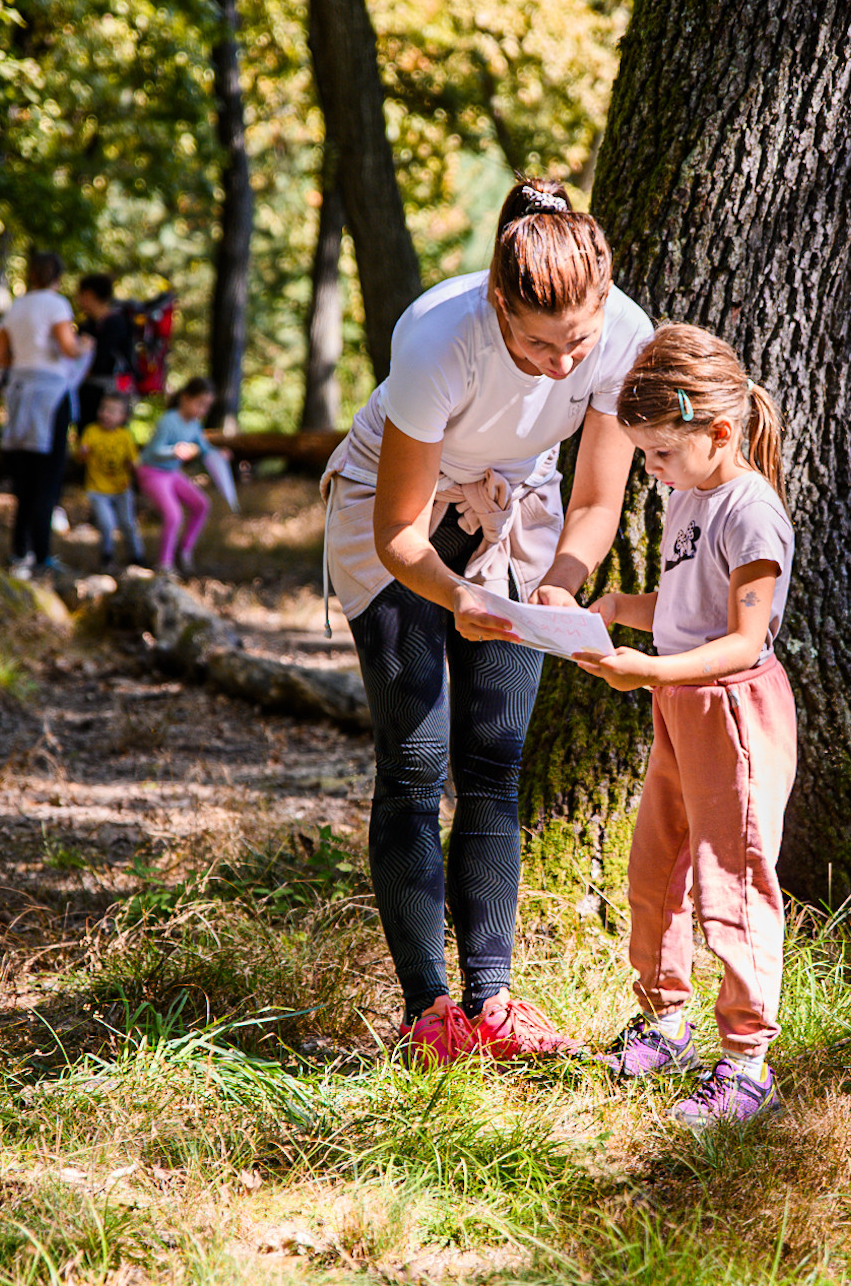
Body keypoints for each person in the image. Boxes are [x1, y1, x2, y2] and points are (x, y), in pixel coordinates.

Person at [318, 176, 653, 1062]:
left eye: (577, 342)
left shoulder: (623, 334)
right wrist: (460, 596)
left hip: (517, 510)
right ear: (499, 303)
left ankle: (494, 1001)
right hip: (397, 515)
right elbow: (398, 531)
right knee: (417, 763)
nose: (563, 365)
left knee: (496, 760)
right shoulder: (438, 333)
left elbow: (595, 495)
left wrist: (558, 585)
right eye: (540, 345)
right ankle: (429, 1012)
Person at [573, 325, 796, 1129]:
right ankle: (665, 1021)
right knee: (654, 868)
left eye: (662, 455)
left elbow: (742, 638)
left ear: (719, 433)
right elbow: (684, 607)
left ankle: (745, 1065)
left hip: (731, 712)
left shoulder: (751, 512)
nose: (652, 471)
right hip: (679, 705)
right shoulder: (690, 494)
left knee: (730, 887)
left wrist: (650, 670)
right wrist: (616, 613)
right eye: (646, 457)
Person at [0, 251, 92, 580]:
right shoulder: (57, 304)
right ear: (57, 278)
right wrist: (83, 347)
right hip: (50, 396)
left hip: (19, 393)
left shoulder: (16, 307)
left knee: (25, 478)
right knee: (47, 477)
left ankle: (20, 550)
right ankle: (43, 555)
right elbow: (68, 347)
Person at [137, 378, 213, 576]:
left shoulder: (195, 425)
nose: (203, 410)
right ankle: (164, 564)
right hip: (152, 472)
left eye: (206, 406)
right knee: (174, 515)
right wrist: (174, 451)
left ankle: (184, 550)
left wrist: (218, 454)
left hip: (172, 473)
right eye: (200, 404)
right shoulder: (168, 421)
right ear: (186, 398)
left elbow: (204, 447)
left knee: (201, 504)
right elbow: (152, 451)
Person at [77, 391, 145, 570]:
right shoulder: (91, 431)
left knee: (128, 523)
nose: (105, 414)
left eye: (112, 411)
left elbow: (134, 463)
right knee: (107, 524)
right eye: (103, 409)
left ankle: (137, 557)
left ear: (123, 417)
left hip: (121, 489)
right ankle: (107, 557)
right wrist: (83, 453)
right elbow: (80, 458)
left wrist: (136, 471)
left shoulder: (125, 436)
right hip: (97, 489)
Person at [74, 274, 137, 433]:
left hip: (110, 392)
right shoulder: (87, 325)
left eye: (81, 295)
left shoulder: (116, 324)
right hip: (87, 392)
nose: (79, 300)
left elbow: (102, 358)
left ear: (89, 294)